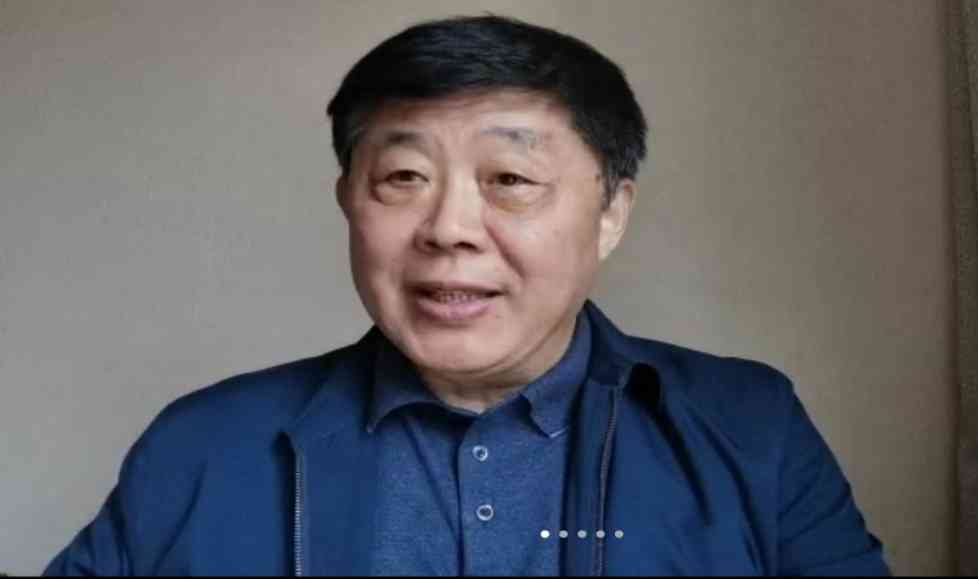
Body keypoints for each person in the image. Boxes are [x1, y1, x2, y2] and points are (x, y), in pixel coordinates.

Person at [45, 14, 889, 576]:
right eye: (403, 177)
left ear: (610, 212)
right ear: (349, 200)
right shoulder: (202, 445)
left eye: (510, 179)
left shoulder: (751, 428)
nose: (450, 227)